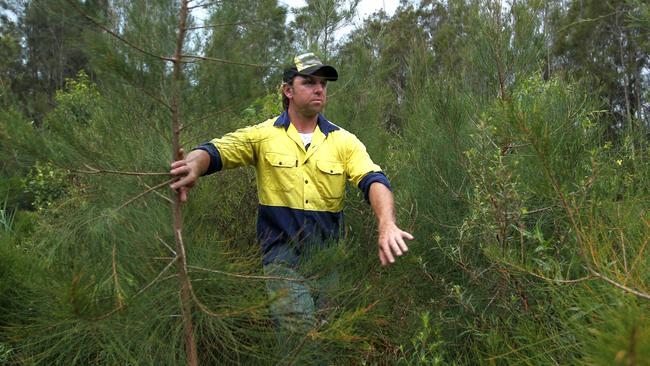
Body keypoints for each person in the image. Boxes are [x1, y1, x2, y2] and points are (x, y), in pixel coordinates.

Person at [169, 52, 413, 358]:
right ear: (288, 91)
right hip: (281, 258)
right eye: (309, 82)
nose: (319, 89)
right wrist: (192, 165)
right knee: (301, 334)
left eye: (322, 84)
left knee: (324, 341)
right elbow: (215, 150)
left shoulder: (344, 141)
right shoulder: (263, 136)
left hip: (328, 260)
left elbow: (374, 180)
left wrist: (386, 223)